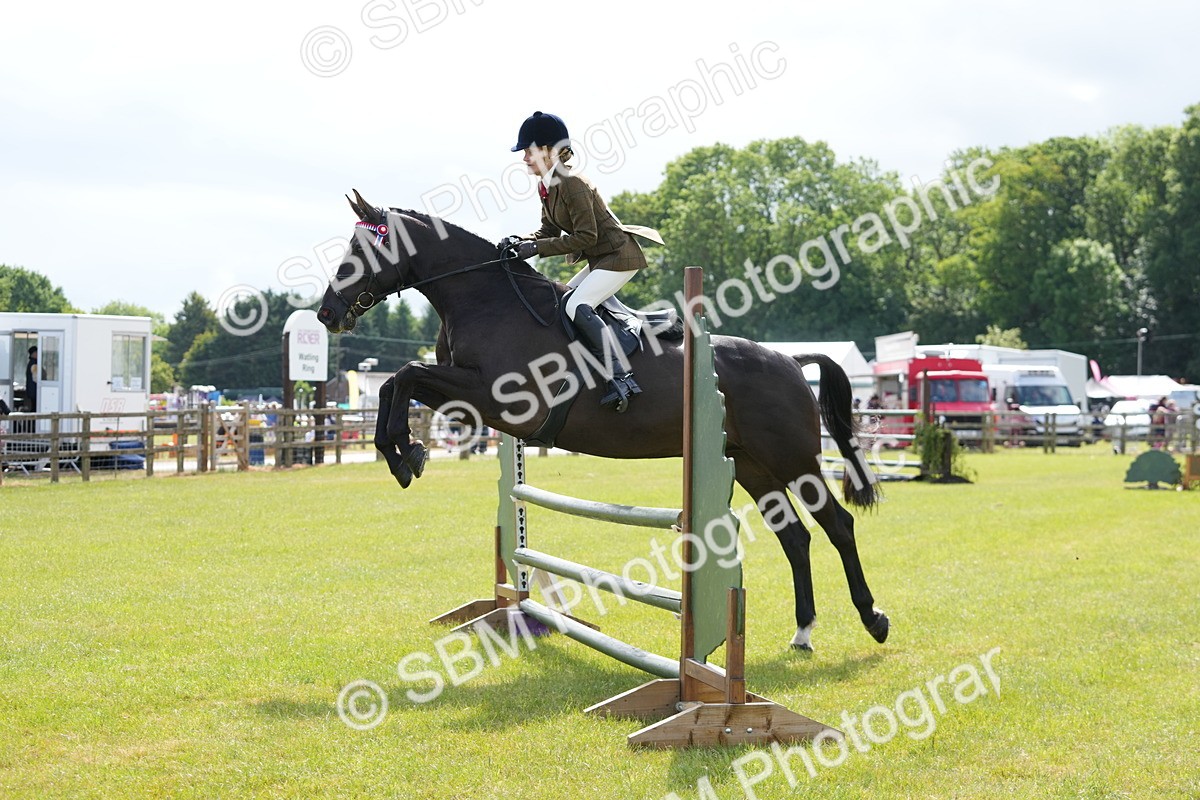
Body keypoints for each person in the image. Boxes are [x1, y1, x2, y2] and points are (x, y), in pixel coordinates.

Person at [500, 111, 662, 412]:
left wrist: (536, 248)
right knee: (563, 299)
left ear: (549, 151)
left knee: (576, 305)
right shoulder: (548, 184)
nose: (524, 158)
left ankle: (621, 377)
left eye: (529, 151)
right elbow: (548, 231)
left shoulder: (572, 183)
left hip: (619, 255)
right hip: (601, 258)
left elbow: (586, 237)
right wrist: (520, 241)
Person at [24, 346, 38, 412]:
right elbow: (36, 378)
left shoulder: (31, 363)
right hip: (34, 390)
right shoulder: (33, 364)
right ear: (34, 353)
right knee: (34, 408)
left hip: (32, 390)